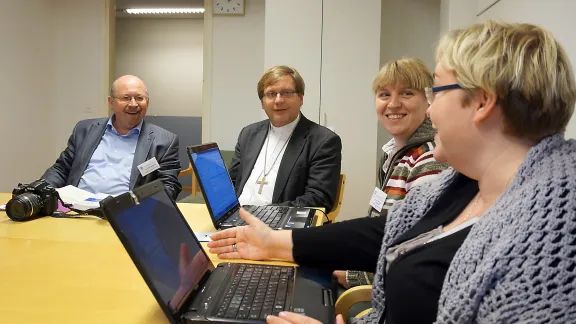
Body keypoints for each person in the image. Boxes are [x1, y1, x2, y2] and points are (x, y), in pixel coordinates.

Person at [208, 20, 576, 324]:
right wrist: (274, 243)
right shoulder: (465, 185)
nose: (429, 111)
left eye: (436, 92)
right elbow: (384, 232)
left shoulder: (553, 235)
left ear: (482, 102)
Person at [334, 58, 450, 289]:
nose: (393, 104)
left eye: (406, 93)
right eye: (384, 95)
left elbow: (418, 251)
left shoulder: (429, 159)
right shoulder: (393, 154)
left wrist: (356, 276)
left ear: (429, 101)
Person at [42, 75, 182, 200]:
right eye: (125, 98)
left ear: (147, 102)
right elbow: (61, 169)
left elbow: (169, 186)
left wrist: (135, 206)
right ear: (111, 102)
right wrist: (37, 192)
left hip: (124, 215)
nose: (133, 104)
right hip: (75, 210)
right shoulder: (85, 129)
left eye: (139, 98)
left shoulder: (164, 141)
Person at [228, 65, 342, 211]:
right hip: (235, 220)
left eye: (286, 93)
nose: (278, 100)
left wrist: (262, 214)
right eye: (271, 94)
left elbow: (318, 198)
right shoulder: (248, 134)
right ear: (262, 103)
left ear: (301, 99)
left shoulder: (323, 141)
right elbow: (232, 182)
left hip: (279, 226)